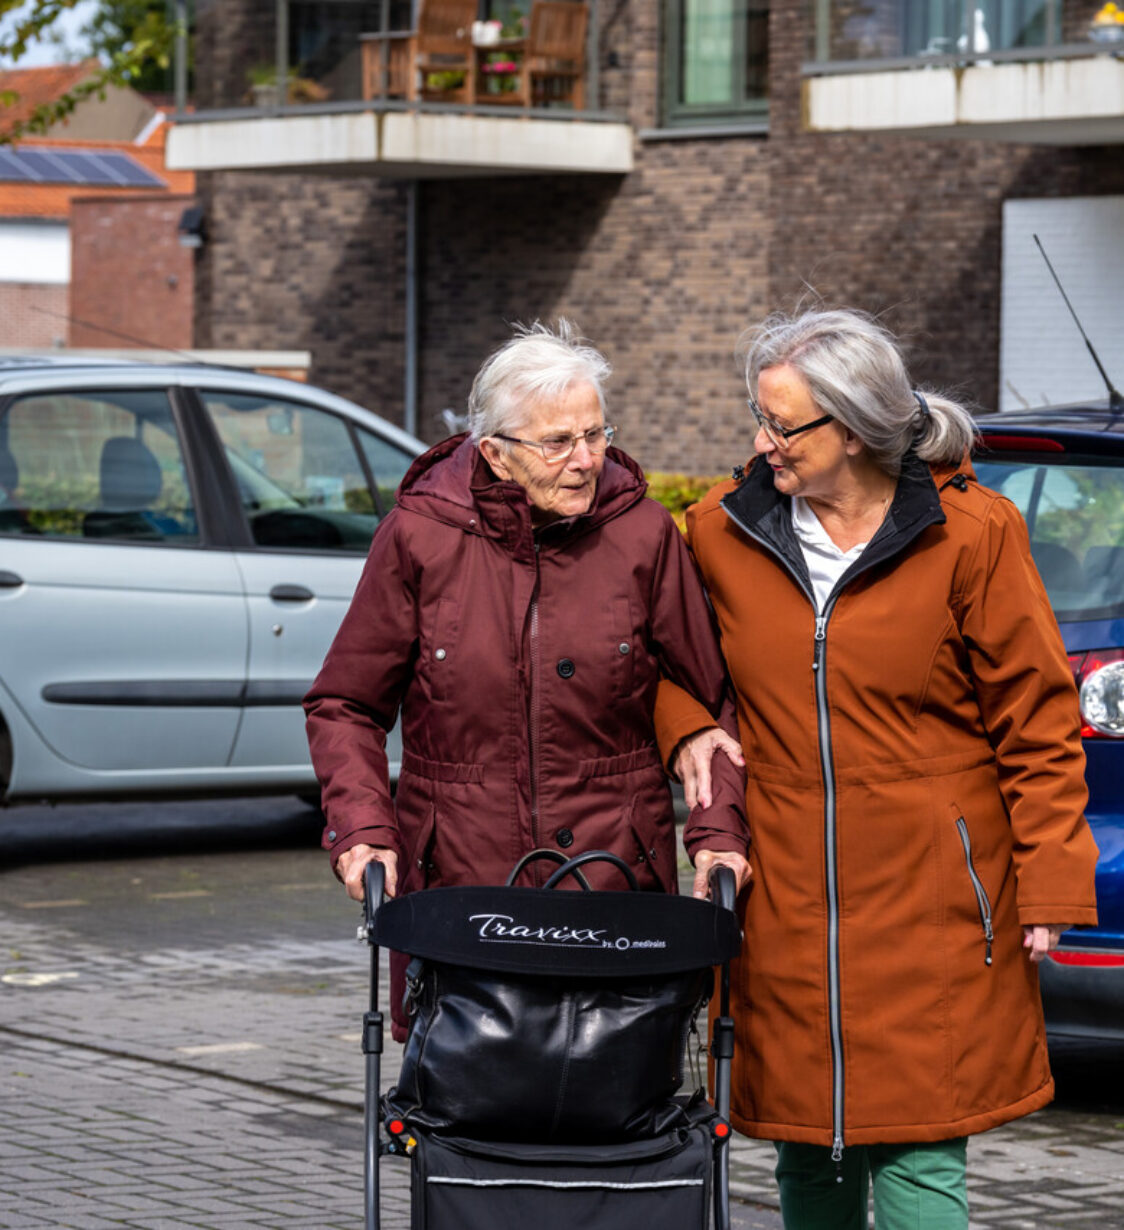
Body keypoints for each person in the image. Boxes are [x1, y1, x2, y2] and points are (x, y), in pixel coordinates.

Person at [655, 308, 1099, 1229]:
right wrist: (686, 727)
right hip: (783, 897)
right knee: (805, 1154)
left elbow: (1038, 719)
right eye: (760, 416)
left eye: (781, 424)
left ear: (853, 428)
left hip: (934, 897)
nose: (760, 441)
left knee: (919, 1155)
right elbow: (670, 668)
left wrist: (1052, 880)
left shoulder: (973, 534)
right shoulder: (718, 535)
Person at [304, 319, 750, 1039]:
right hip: (462, 889)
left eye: (596, 435)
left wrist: (718, 831)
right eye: (558, 442)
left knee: (616, 1111)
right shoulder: (419, 535)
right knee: (469, 1112)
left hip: (615, 882)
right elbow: (345, 703)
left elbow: (712, 696)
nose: (585, 460)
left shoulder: (643, 534)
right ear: (496, 454)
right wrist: (361, 826)